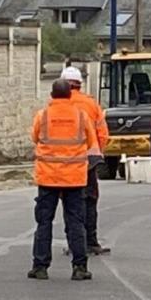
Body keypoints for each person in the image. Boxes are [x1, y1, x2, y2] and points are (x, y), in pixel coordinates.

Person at [28, 79, 99, 281]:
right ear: (70, 95)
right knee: (76, 222)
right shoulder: (81, 116)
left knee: (44, 222)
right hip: (74, 178)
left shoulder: (42, 116)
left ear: (51, 95)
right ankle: (79, 267)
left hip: (48, 176)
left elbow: (35, 138)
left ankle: (40, 266)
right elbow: (91, 142)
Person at [60, 66, 111, 255]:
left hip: (64, 161)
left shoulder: (56, 104)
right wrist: (98, 153)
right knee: (90, 199)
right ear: (80, 84)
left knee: (70, 202)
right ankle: (91, 241)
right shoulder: (91, 104)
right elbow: (103, 133)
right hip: (89, 159)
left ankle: (74, 242)